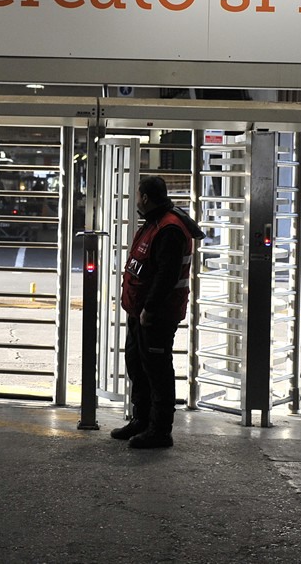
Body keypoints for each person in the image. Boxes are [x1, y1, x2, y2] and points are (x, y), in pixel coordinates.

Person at [111, 175, 205, 449]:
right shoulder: (155, 222)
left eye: (138, 195)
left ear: (146, 197)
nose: (136, 200)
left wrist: (149, 309)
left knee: (157, 371)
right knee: (137, 366)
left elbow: (167, 276)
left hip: (156, 315)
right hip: (139, 312)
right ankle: (141, 420)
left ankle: (160, 430)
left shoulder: (169, 229)